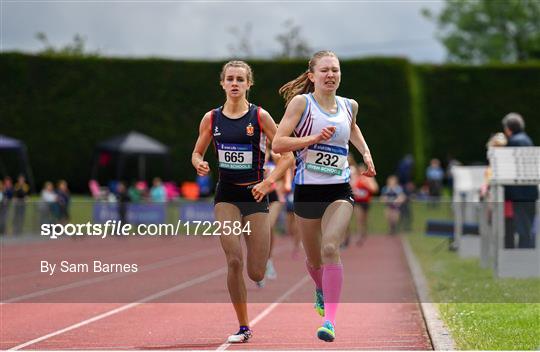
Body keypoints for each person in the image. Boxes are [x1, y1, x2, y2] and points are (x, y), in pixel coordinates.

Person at [273, 50, 376, 342]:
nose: (331, 75)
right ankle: (320, 287)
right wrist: (313, 139)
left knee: (331, 247)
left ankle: (329, 321)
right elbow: (280, 143)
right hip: (307, 191)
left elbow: (352, 128)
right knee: (315, 259)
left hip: (339, 188)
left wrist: (366, 153)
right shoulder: (301, 104)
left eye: (335, 70)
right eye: (325, 70)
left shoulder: (349, 105)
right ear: (312, 76)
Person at [191, 60, 294, 343]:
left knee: (256, 270)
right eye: (230, 79)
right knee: (234, 260)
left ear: (249, 84)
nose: (235, 83)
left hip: (256, 195)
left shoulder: (260, 117)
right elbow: (196, 152)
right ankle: (244, 325)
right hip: (226, 195)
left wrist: (268, 183)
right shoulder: (211, 119)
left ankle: (259, 270)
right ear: (222, 83)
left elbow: (287, 156)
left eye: (240, 79)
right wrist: (199, 162)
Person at [501, 113, 538, 248]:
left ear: (508, 128)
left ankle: (523, 260)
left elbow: (508, 167)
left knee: (523, 229)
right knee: (528, 227)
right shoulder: (527, 139)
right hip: (530, 191)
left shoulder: (515, 141)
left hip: (520, 193)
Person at [348, 161, 378, 246]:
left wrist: (366, 185)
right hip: (358, 202)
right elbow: (351, 188)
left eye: (362, 170)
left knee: (364, 220)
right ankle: (359, 236)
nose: (361, 172)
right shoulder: (356, 178)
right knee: (359, 219)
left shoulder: (369, 178)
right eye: (360, 170)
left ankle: (363, 234)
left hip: (366, 202)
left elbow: (375, 189)